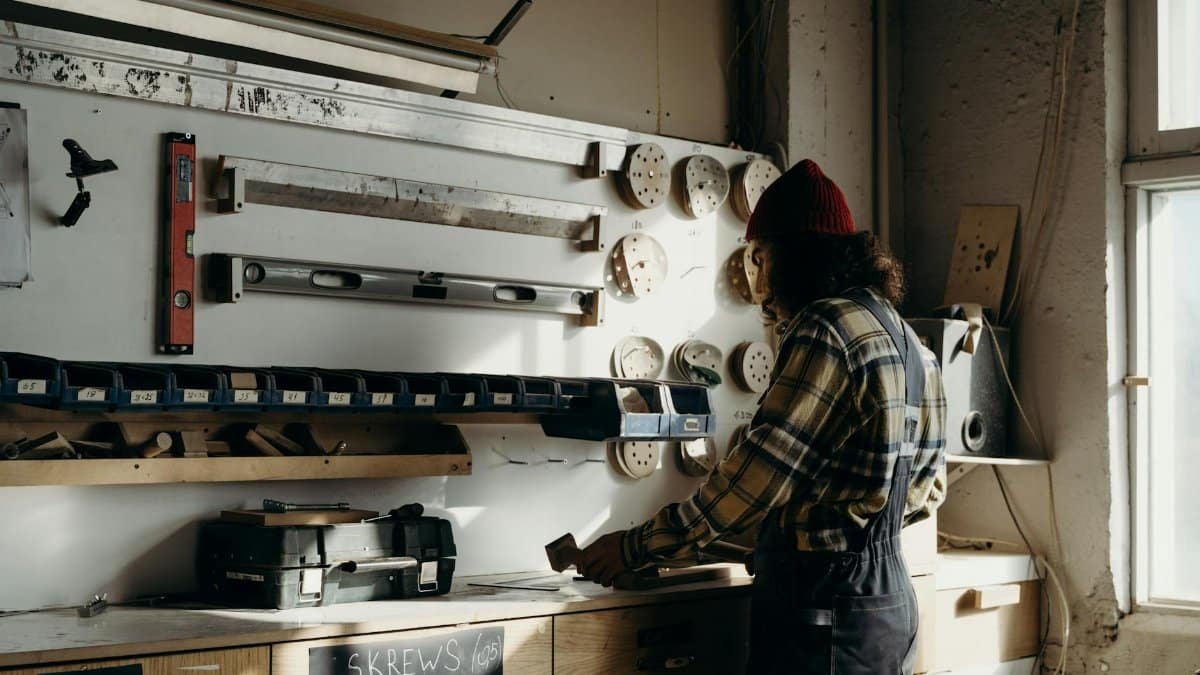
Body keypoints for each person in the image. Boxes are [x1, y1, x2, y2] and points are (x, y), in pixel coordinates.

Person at [577, 159, 947, 674]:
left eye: (761, 256)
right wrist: (798, 535)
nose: (759, 278)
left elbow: (754, 479)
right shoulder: (908, 340)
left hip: (824, 615)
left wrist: (638, 547)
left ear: (791, 256)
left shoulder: (826, 328)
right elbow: (926, 492)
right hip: (888, 608)